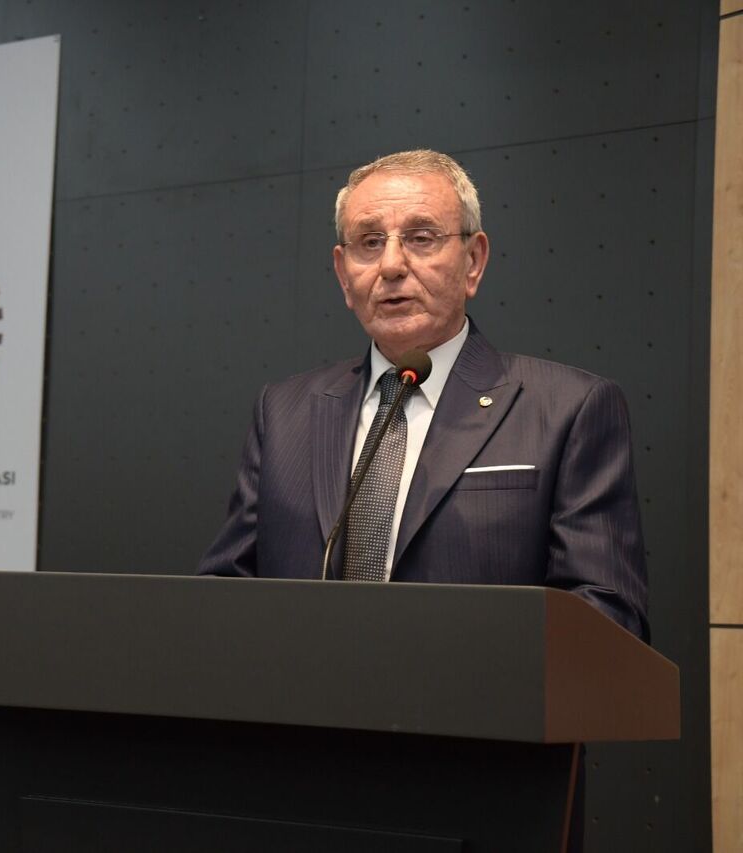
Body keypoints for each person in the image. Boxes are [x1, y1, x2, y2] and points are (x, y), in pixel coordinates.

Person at [197, 149, 649, 642]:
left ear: (473, 261)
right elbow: (224, 595)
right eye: (370, 243)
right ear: (343, 274)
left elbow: (607, 618)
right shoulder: (284, 413)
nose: (391, 265)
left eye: (421, 238)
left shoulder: (567, 409)